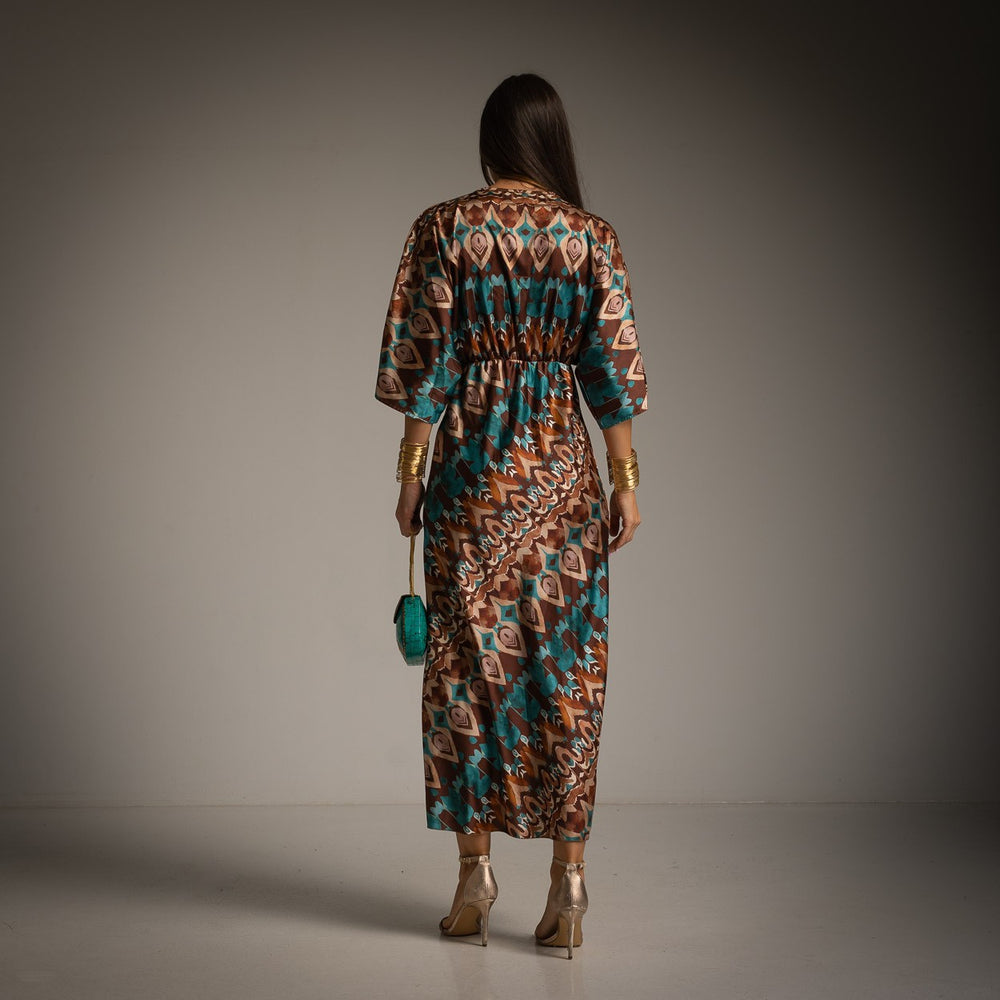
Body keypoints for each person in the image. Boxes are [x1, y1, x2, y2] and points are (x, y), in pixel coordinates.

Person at [373, 73, 647, 958]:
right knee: (567, 680)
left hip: (472, 485)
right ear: (553, 142)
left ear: (491, 141)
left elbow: (428, 364)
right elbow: (610, 372)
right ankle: (569, 885)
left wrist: (412, 473)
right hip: (563, 489)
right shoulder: (591, 238)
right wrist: (627, 478)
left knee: (466, 677)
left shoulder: (445, 228)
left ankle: (473, 878)